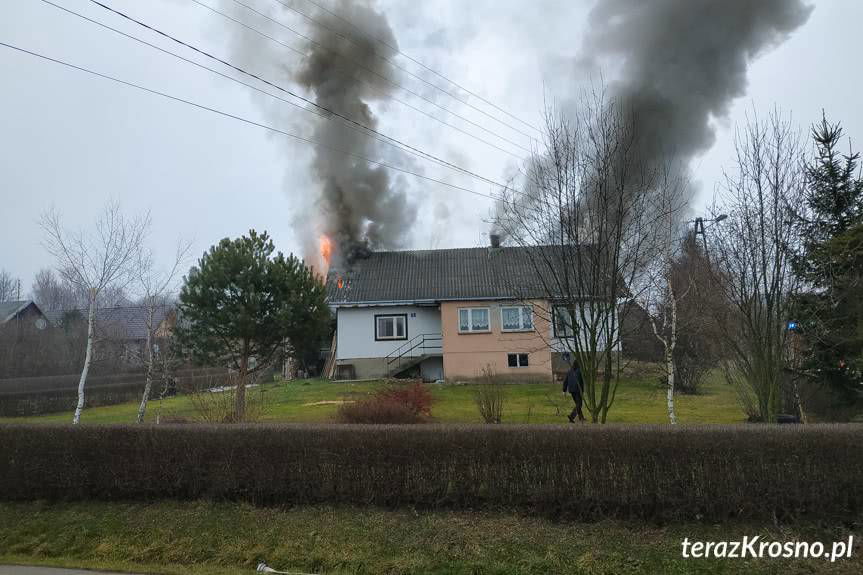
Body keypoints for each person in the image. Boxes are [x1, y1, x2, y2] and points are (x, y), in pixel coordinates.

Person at [562, 356, 586, 422]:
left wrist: (564, 390)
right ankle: (572, 416)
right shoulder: (580, 371)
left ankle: (581, 418)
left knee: (578, 404)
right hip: (578, 390)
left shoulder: (570, 371)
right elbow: (582, 381)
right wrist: (582, 390)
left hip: (571, 390)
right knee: (579, 404)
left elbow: (565, 381)